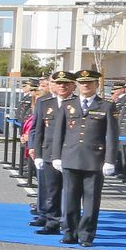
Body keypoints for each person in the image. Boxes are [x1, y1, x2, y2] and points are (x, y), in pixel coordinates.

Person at [56, 68, 118, 247]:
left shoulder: (106, 105)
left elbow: (112, 135)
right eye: (82, 83)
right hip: (70, 157)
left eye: (89, 83)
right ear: (77, 85)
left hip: (94, 160)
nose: (85, 86)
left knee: (91, 201)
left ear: (96, 85)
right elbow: (59, 133)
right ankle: (69, 232)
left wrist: (109, 160)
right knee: (69, 199)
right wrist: (56, 156)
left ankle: (86, 235)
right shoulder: (68, 104)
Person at [29, 71, 75, 235]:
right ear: (53, 85)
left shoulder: (77, 103)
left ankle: (69, 223)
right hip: (48, 151)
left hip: (71, 152)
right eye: (58, 83)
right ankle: (52, 221)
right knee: (52, 190)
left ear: (73, 86)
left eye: (66, 84)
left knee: (71, 191)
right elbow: (38, 129)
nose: (62, 86)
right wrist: (37, 150)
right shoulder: (44, 102)